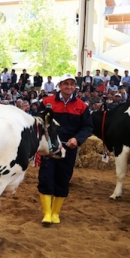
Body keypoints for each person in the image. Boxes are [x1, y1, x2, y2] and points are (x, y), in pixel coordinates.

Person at [37, 74, 93, 226]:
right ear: (59, 86)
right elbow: (38, 122)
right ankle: (47, 213)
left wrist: (77, 139)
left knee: (63, 178)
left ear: (75, 87)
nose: (69, 87)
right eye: (66, 84)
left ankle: (55, 213)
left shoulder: (81, 106)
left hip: (69, 148)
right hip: (49, 149)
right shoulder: (47, 102)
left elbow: (88, 127)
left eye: (72, 84)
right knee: (46, 177)